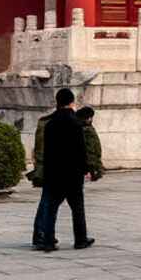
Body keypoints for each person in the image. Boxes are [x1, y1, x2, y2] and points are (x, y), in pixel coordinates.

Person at [37, 88, 93, 252]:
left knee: (51, 208)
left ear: (57, 102)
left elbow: (47, 151)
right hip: (73, 173)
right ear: (72, 102)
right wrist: (86, 169)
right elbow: (81, 150)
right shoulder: (76, 123)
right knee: (77, 208)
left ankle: (48, 240)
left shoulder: (50, 124)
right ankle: (80, 239)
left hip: (54, 172)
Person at [28, 104, 57, 249]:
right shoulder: (49, 123)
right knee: (48, 201)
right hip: (53, 169)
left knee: (49, 201)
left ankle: (43, 234)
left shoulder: (45, 122)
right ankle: (41, 235)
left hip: (51, 168)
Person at [75, 106, 104, 182]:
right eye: (88, 118)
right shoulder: (83, 129)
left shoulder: (88, 127)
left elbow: (95, 145)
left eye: (91, 117)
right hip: (89, 162)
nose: (90, 119)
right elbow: (87, 149)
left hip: (93, 160)